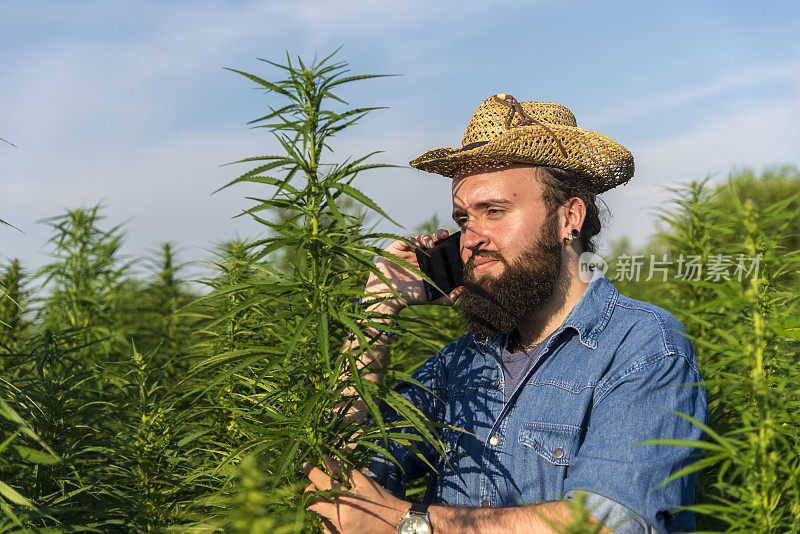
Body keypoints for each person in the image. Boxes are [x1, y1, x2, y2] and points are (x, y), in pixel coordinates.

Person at [304, 94, 707, 533]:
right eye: (462, 220)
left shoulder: (643, 346)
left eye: (494, 211)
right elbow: (343, 471)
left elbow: (607, 523)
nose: (471, 238)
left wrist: (412, 525)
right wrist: (375, 314)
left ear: (568, 217)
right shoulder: (460, 363)